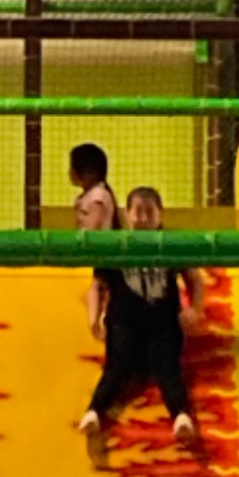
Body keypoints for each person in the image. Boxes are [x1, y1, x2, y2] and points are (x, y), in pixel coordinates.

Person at [79, 186, 204, 443]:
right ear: (128, 215)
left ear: (160, 215)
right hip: (124, 320)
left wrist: (195, 309)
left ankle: (181, 416)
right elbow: (97, 285)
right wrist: (94, 317)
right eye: (138, 211)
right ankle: (94, 411)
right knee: (117, 366)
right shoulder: (116, 246)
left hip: (162, 321)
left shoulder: (170, 245)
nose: (144, 218)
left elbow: (195, 278)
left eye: (150, 212)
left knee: (167, 367)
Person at [70, 142, 122, 231]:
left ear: (89, 172)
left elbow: (92, 230)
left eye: (73, 167)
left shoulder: (97, 195)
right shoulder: (88, 195)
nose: (70, 172)